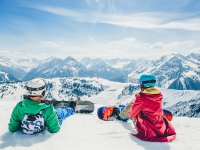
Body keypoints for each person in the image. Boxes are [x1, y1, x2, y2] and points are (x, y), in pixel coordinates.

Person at [8, 78, 75, 135]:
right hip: (50, 113)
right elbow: (54, 130)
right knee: (59, 113)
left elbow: (12, 128)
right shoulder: (48, 108)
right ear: (42, 93)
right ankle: (72, 108)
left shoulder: (19, 106)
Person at [128, 74, 176, 142]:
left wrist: (133, 105)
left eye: (140, 83)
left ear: (143, 84)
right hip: (161, 128)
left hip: (148, 128)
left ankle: (118, 115)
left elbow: (132, 115)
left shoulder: (141, 98)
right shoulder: (159, 94)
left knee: (130, 107)